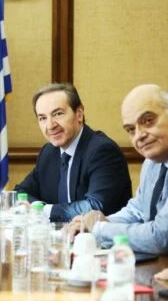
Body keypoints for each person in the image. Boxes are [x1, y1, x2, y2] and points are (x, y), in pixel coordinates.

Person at [73, 84, 168, 256]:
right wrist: (94, 221)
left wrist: (99, 228)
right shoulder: (151, 163)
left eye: (148, 121)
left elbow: (161, 237)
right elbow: (138, 210)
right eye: (131, 130)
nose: (139, 135)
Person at [15, 83, 131, 222]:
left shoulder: (102, 150)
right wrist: (35, 206)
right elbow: (20, 193)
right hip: (59, 235)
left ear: (79, 114)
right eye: (43, 118)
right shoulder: (48, 153)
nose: (50, 125)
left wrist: (41, 210)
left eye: (58, 114)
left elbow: (95, 207)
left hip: (100, 235)